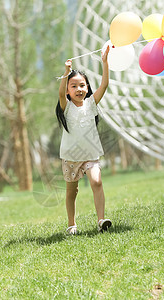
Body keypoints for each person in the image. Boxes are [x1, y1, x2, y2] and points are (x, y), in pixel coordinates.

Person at [55, 46, 112, 235]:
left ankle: (101, 220)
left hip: (90, 154)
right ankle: (72, 224)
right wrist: (66, 73)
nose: (79, 89)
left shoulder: (91, 104)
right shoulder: (67, 107)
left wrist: (104, 62)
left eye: (82, 85)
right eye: (74, 86)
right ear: (69, 91)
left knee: (97, 182)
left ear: (87, 88)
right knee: (72, 192)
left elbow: (104, 85)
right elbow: (60, 92)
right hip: (71, 157)